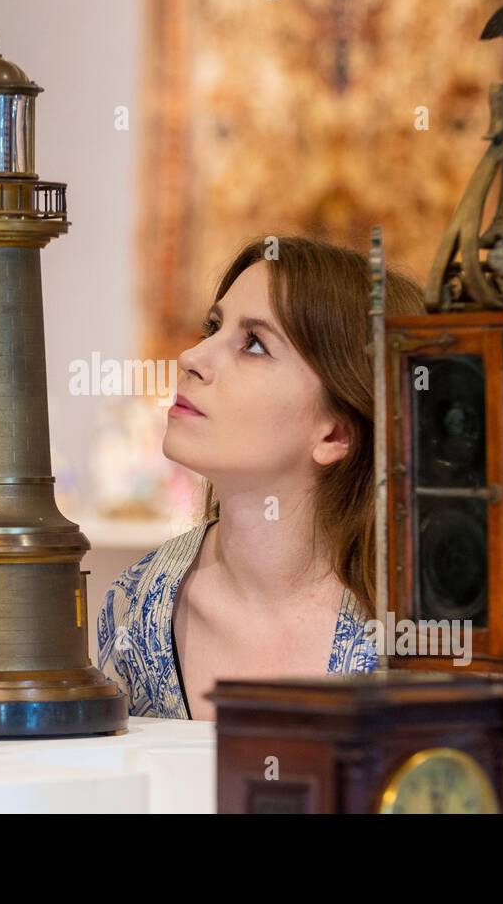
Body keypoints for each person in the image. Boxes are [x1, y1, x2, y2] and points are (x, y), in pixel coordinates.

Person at [96, 235, 424, 720]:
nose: (192, 357)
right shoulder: (136, 608)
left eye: (253, 344)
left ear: (335, 433)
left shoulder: (430, 628)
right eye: (212, 327)